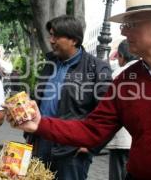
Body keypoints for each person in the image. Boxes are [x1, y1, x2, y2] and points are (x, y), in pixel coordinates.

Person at [7, 0, 151, 180]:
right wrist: (40, 123)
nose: (123, 31)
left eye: (131, 24)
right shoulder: (125, 82)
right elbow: (93, 129)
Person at [25, 15, 112, 180]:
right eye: (50, 35)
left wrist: (93, 146)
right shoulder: (49, 64)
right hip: (41, 141)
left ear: (73, 40)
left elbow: (108, 113)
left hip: (71, 151)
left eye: (55, 36)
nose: (51, 40)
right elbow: (38, 98)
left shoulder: (97, 69)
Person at [106, 40, 138, 180]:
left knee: (118, 175)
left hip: (121, 138)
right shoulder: (148, 71)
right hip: (138, 140)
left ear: (121, 56)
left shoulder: (117, 74)